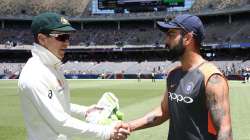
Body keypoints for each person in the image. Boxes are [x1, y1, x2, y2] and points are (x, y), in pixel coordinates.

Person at [18, 12, 129, 140]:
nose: (67, 43)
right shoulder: (34, 74)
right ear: (42, 39)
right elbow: (61, 122)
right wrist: (106, 132)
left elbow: (57, 105)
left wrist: (86, 110)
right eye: (62, 37)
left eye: (68, 37)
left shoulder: (52, 66)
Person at [125, 14, 233, 140]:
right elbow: (163, 112)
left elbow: (225, 130)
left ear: (187, 38)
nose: (166, 42)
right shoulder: (173, 74)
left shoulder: (212, 78)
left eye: (171, 35)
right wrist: (129, 126)